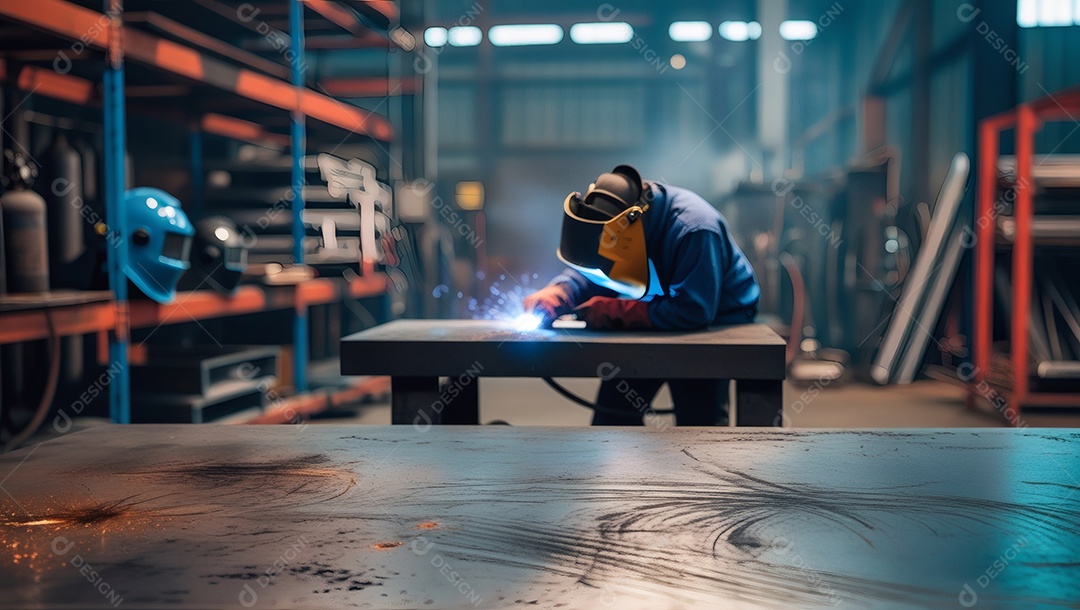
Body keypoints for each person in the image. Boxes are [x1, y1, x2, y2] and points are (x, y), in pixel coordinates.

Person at [523, 164, 760, 426]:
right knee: (613, 417)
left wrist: (617, 311)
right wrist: (563, 290)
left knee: (699, 424)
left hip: (715, 318)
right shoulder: (622, 226)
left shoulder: (694, 229)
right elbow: (600, 266)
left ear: (628, 228)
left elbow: (694, 309)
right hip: (654, 303)